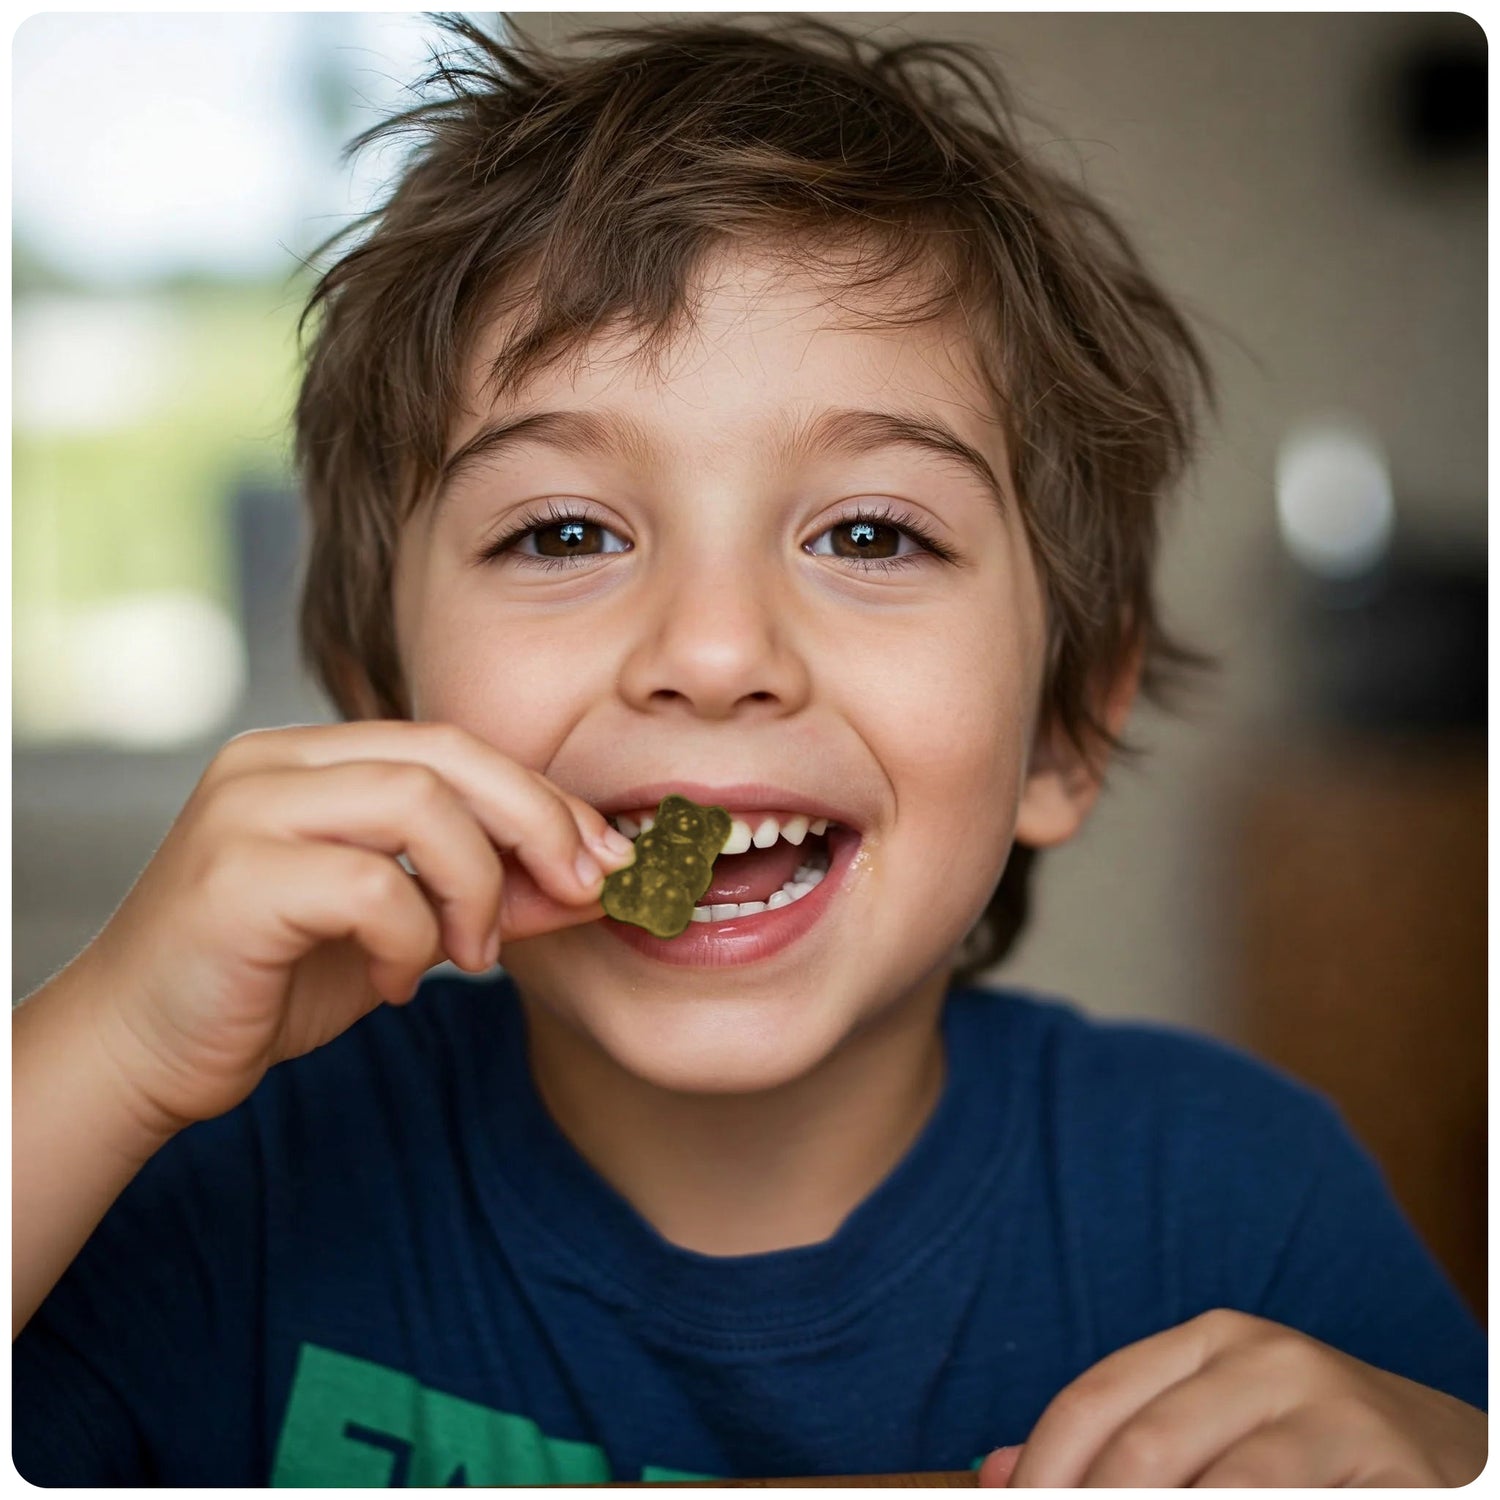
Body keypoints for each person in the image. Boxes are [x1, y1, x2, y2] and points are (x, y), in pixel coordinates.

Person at [12, 15, 1485, 1487]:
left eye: (871, 535)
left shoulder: (1238, 1203)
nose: (714, 653)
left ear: (1061, 728)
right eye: (564, 533)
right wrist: (108, 1051)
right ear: (385, 707)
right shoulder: (225, 1184)